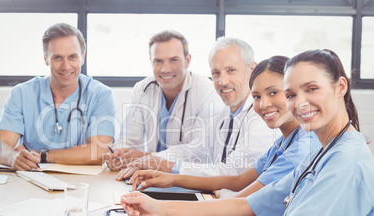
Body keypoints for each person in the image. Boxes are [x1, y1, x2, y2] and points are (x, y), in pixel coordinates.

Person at [120, 49, 374, 216]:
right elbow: (247, 205)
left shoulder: (345, 161)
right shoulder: (322, 150)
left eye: (312, 89)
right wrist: (158, 208)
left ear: (341, 87)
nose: (300, 103)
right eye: (291, 94)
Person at [127, 56, 320, 201]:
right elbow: (237, 181)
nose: (263, 104)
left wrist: (160, 203)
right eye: (256, 97)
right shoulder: (283, 142)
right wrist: (170, 178)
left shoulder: (301, 148)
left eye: (273, 93)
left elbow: (240, 200)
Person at [116, 37, 275, 179]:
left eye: (231, 70)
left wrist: (168, 166)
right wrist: (150, 160)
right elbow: (194, 150)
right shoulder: (224, 114)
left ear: (252, 70)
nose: (223, 81)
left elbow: (234, 172)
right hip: (220, 198)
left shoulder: (263, 117)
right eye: (216, 73)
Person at [0, 23, 116, 171]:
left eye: (72, 57)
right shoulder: (21, 94)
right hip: (32, 177)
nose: (66, 66)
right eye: (57, 58)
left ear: (82, 58)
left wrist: (44, 156)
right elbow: (2, 146)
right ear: (46, 59)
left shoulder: (101, 95)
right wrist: (12, 157)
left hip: (82, 182)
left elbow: (100, 151)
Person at [105, 30, 222, 171]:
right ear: (151, 61)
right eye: (158, 61)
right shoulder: (142, 89)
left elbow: (201, 152)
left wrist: (148, 157)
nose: (165, 69)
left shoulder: (205, 90)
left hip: (187, 178)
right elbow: (129, 139)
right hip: (148, 175)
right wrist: (119, 154)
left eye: (173, 60)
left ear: (188, 60)